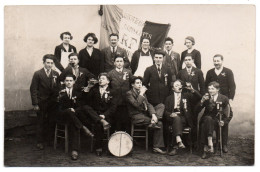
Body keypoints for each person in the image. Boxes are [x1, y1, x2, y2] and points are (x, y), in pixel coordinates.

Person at [78, 73, 116, 156]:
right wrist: (88, 87)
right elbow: (85, 100)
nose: (100, 80)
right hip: (94, 114)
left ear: (108, 81)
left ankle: (99, 147)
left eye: (103, 78)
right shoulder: (94, 89)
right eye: (99, 78)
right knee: (85, 107)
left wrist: (104, 115)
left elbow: (113, 107)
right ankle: (101, 121)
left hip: (106, 116)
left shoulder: (112, 91)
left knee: (98, 124)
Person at [56, 74, 93, 160]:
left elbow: (80, 105)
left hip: (74, 117)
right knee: (69, 112)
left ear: (74, 82)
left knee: (74, 123)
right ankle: (83, 128)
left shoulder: (77, 92)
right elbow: (58, 108)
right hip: (62, 116)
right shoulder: (60, 92)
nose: (68, 82)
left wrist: (74, 110)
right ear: (64, 82)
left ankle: (74, 150)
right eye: (67, 81)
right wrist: (69, 109)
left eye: (70, 81)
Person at [126, 76, 166, 154]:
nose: (140, 85)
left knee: (161, 105)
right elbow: (136, 104)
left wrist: (154, 114)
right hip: (136, 116)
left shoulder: (142, 93)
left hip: (145, 114)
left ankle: (154, 121)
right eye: (137, 83)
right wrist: (141, 93)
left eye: (141, 83)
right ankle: (156, 147)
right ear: (132, 85)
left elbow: (148, 104)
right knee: (160, 123)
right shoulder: (129, 94)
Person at [30, 54, 60, 150]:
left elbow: (57, 88)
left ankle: (50, 140)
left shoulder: (56, 73)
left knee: (51, 121)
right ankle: (40, 141)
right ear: (44, 63)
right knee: (41, 121)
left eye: (51, 63)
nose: (49, 65)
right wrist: (35, 103)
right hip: (41, 102)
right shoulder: (38, 74)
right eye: (48, 62)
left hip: (52, 102)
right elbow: (33, 89)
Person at [196, 81, 232, 159]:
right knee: (208, 119)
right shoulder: (206, 97)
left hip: (217, 120)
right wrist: (202, 101)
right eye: (209, 89)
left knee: (207, 123)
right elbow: (196, 110)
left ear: (218, 89)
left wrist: (224, 121)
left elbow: (229, 113)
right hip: (206, 119)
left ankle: (206, 147)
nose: (210, 90)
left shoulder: (224, 98)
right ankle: (210, 143)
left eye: (212, 89)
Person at [164, 80, 201, 155]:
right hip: (172, 117)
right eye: (176, 85)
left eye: (179, 85)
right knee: (176, 119)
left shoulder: (187, 96)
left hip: (184, 118)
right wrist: (170, 114)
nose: (178, 87)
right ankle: (178, 140)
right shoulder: (168, 98)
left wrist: (192, 89)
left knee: (178, 120)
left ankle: (175, 145)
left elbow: (199, 98)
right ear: (173, 88)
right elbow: (165, 111)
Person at [177, 54, 205, 145]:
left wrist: (201, 97)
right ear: (184, 62)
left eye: (189, 59)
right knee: (186, 117)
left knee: (194, 118)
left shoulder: (198, 71)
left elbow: (202, 86)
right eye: (186, 60)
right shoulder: (181, 72)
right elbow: (178, 85)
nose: (188, 61)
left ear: (193, 60)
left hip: (195, 98)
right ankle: (186, 141)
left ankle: (194, 141)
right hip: (184, 99)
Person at [108, 53, 133, 133]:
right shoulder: (110, 73)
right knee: (116, 120)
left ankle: (126, 138)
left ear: (123, 62)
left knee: (126, 120)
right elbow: (108, 87)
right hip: (115, 101)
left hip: (126, 101)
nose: (119, 63)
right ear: (114, 63)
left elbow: (131, 85)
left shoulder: (128, 72)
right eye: (117, 61)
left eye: (121, 61)